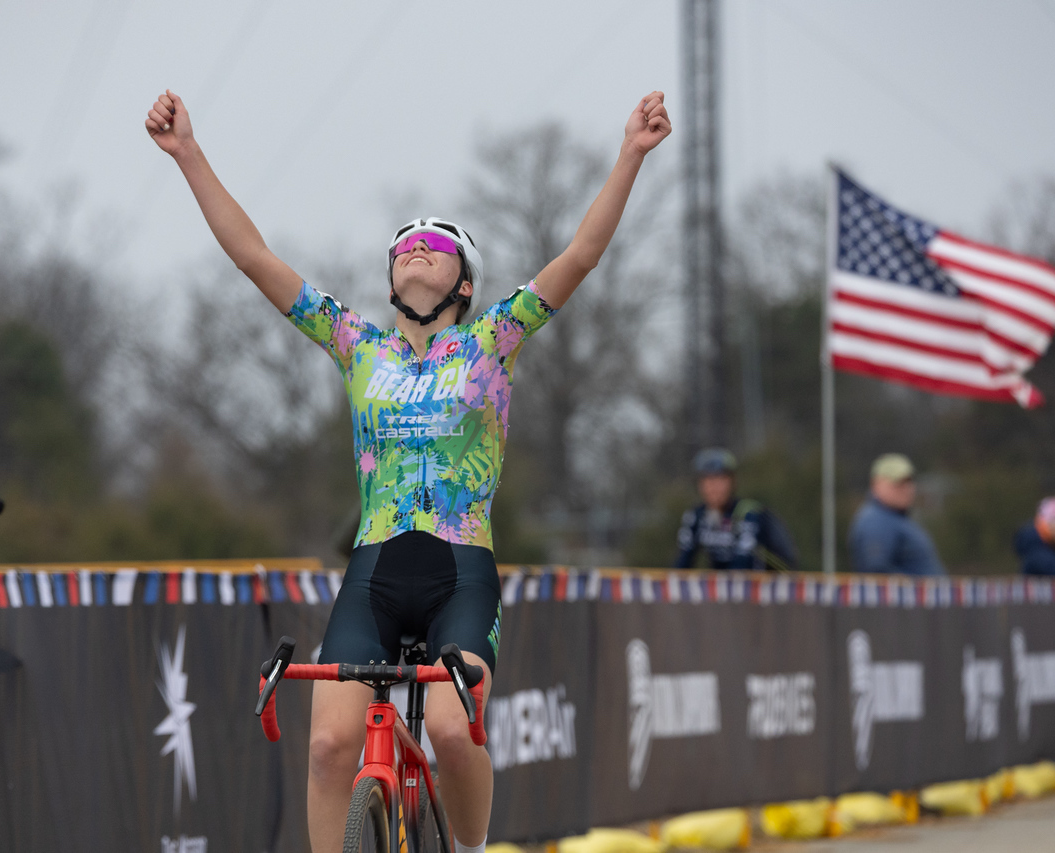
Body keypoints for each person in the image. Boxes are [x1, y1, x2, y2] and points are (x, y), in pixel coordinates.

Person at [145, 87, 671, 853]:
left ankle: (469, 847)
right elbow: (253, 256)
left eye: (436, 243)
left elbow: (580, 256)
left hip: (460, 571)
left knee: (454, 732)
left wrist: (629, 154)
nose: (416, 245)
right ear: (391, 281)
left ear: (465, 284)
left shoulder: (493, 339)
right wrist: (188, 155)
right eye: (404, 245)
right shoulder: (355, 343)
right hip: (375, 570)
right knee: (329, 746)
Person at [674, 447, 796, 571]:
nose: (714, 487)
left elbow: (742, 565)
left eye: (720, 479)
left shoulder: (749, 514)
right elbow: (683, 561)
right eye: (708, 480)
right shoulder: (696, 516)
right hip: (724, 579)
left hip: (768, 580)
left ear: (732, 482)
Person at [847, 453, 945, 576]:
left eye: (909, 482)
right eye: (898, 484)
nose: (907, 489)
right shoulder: (877, 521)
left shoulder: (897, 517)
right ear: (876, 484)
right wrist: (914, 586)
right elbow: (876, 572)